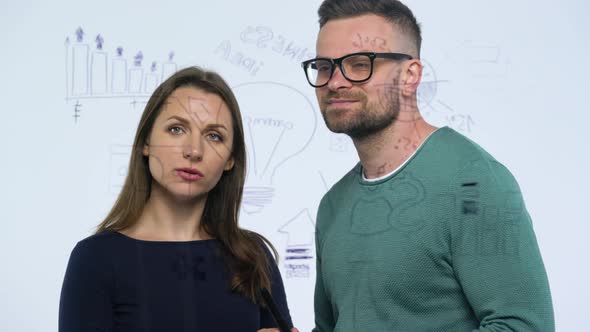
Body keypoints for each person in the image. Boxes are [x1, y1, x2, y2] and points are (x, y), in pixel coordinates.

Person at [301, 0, 554, 330]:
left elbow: (524, 326)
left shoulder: (472, 183)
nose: (335, 82)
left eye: (359, 64)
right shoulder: (332, 205)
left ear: (410, 75)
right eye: (323, 66)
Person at [59, 67, 298, 332]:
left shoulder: (252, 256)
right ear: (145, 142)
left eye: (214, 136)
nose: (194, 151)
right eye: (176, 129)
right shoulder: (96, 259)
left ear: (231, 159)